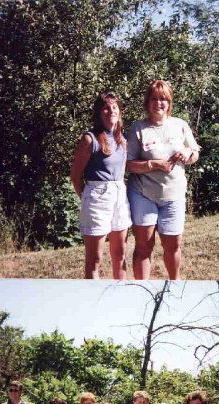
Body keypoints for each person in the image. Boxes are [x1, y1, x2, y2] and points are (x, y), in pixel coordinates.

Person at [126, 79, 200, 280]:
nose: (158, 103)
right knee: (143, 246)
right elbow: (128, 164)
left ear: (169, 102)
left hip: (173, 195)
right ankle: (143, 288)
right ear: (147, 102)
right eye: (154, 99)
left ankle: (174, 285)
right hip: (142, 194)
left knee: (173, 244)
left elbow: (195, 152)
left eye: (163, 99)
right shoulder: (138, 129)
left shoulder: (180, 125)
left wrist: (187, 153)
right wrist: (154, 164)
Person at [70, 92, 131, 279]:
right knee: (94, 259)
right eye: (105, 107)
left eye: (114, 107)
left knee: (120, 255)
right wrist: (89, 198)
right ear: (98, 112)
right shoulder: (90, 139)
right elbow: (75, 175)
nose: (110, 111)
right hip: (97, 196)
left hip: (120, 195)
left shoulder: (123, 139)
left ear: (119, 111)